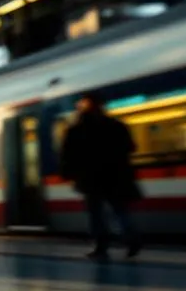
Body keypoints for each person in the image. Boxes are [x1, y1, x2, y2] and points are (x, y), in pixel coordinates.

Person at [61, 94, 142, 260]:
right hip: (116, 176)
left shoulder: (75, 130)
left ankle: (101, 246)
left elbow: (68, 155)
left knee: (96, 214)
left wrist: (69, 174)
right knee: (120, 210)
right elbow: (131, 147)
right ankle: (131, 238)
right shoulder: (117, 125)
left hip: (91, 179)